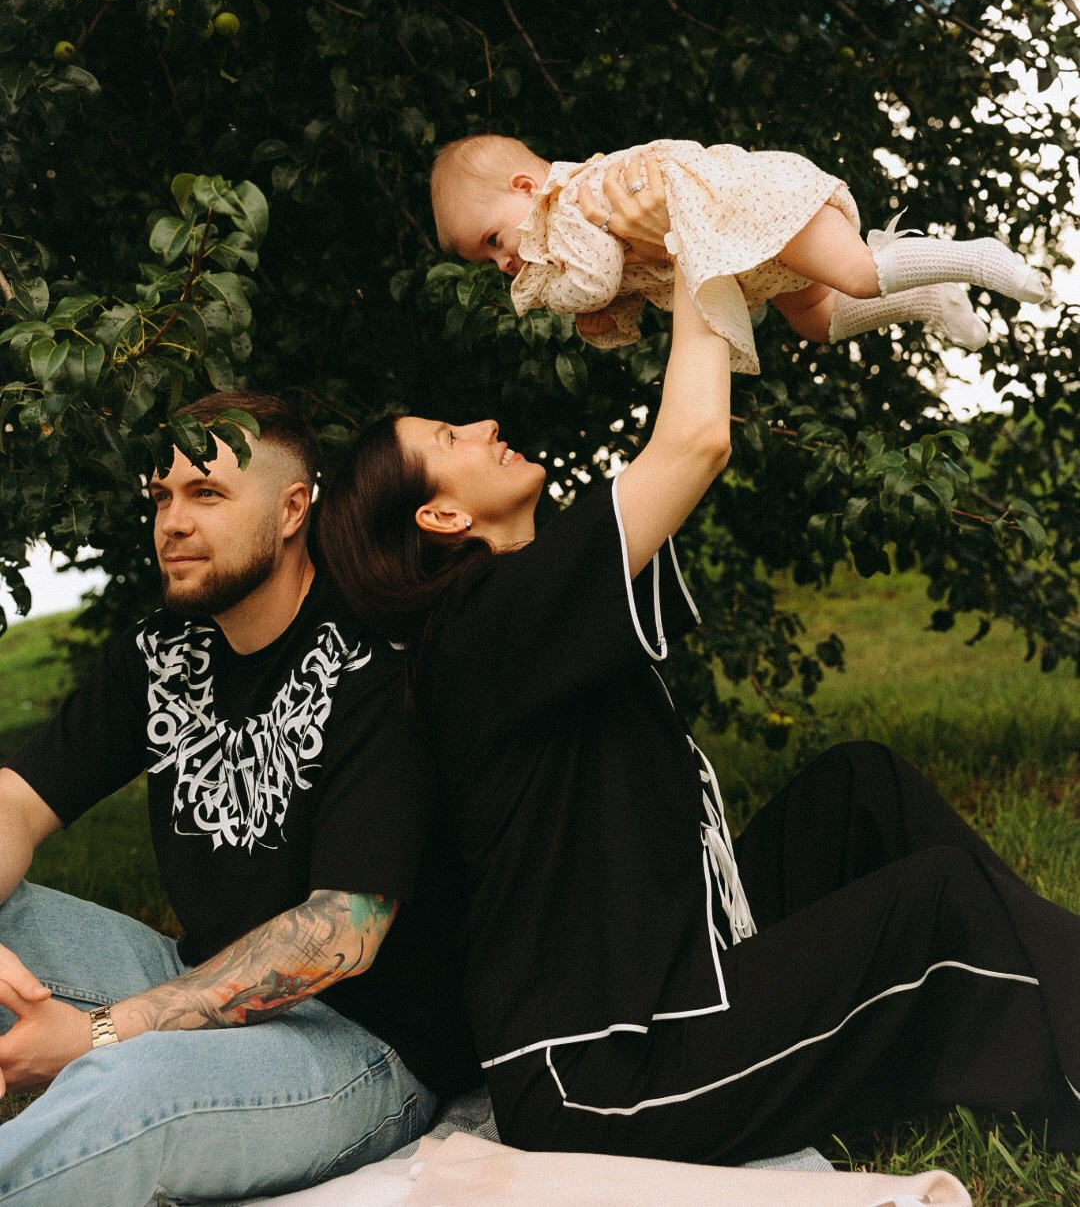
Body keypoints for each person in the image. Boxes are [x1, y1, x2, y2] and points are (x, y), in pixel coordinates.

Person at [316, 181, 1079, 1167]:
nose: (483, 426)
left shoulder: (522, 608)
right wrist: (697, 243)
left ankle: (1059, 996)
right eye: (448, 441)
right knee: (937, 906)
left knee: (860, 789)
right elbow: (694, 441)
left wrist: (707, 263)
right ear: (441, 517)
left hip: (680, 963)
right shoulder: (482, 624)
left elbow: (687, 429)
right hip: (609, 1074)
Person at [0, 392, 476, 1206]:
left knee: (127, 1087)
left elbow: (343, 934)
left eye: (207, 494)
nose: (172, 523)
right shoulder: (159, 652)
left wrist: (100, 1034)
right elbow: (15, 802)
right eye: (162, 497)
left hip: (361, 1045)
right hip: (196, 981)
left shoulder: (374, 661)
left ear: (293, 510)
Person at [429, 132, 1047, 372]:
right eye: (488, 263)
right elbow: (632, 280)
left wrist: (565, 301)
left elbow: (597, 277)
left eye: (494, 241)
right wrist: (608, 321)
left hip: (750, 209)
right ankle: (930, 297)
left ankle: (977, 257)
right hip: (747, 255)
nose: (504, 263)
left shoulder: (567, 205)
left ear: (525, 188)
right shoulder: (565, 232)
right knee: (816, 321)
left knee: (859, 274)